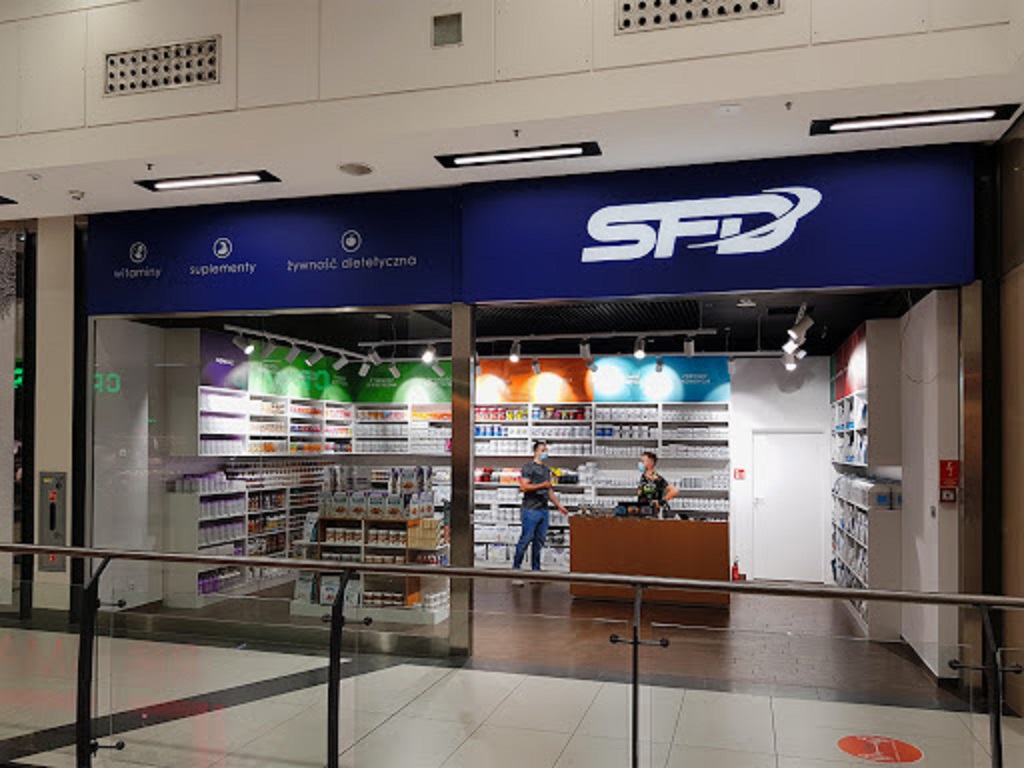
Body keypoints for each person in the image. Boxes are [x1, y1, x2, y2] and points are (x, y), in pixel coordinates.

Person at [513, 440, 569, 578]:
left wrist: (559, 505)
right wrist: (541, 485)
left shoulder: (546, 470)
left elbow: (549, 490)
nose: (545, 453)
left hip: (544, 510)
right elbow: (524, 487)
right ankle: (515, 570)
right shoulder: (528, 467)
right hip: (530, 509)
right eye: (543, 450)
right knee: (525, 540)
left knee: (539, 542)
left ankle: (536, 570)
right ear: (535, 452)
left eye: (546, 450)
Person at [637, 451, 679, 516]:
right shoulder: (643, 477)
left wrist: (661, 502)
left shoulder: (656, 478)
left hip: (653, 512)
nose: (640, 464)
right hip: (642, 510)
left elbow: (674, 490)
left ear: (650, 463)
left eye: (643, 462)